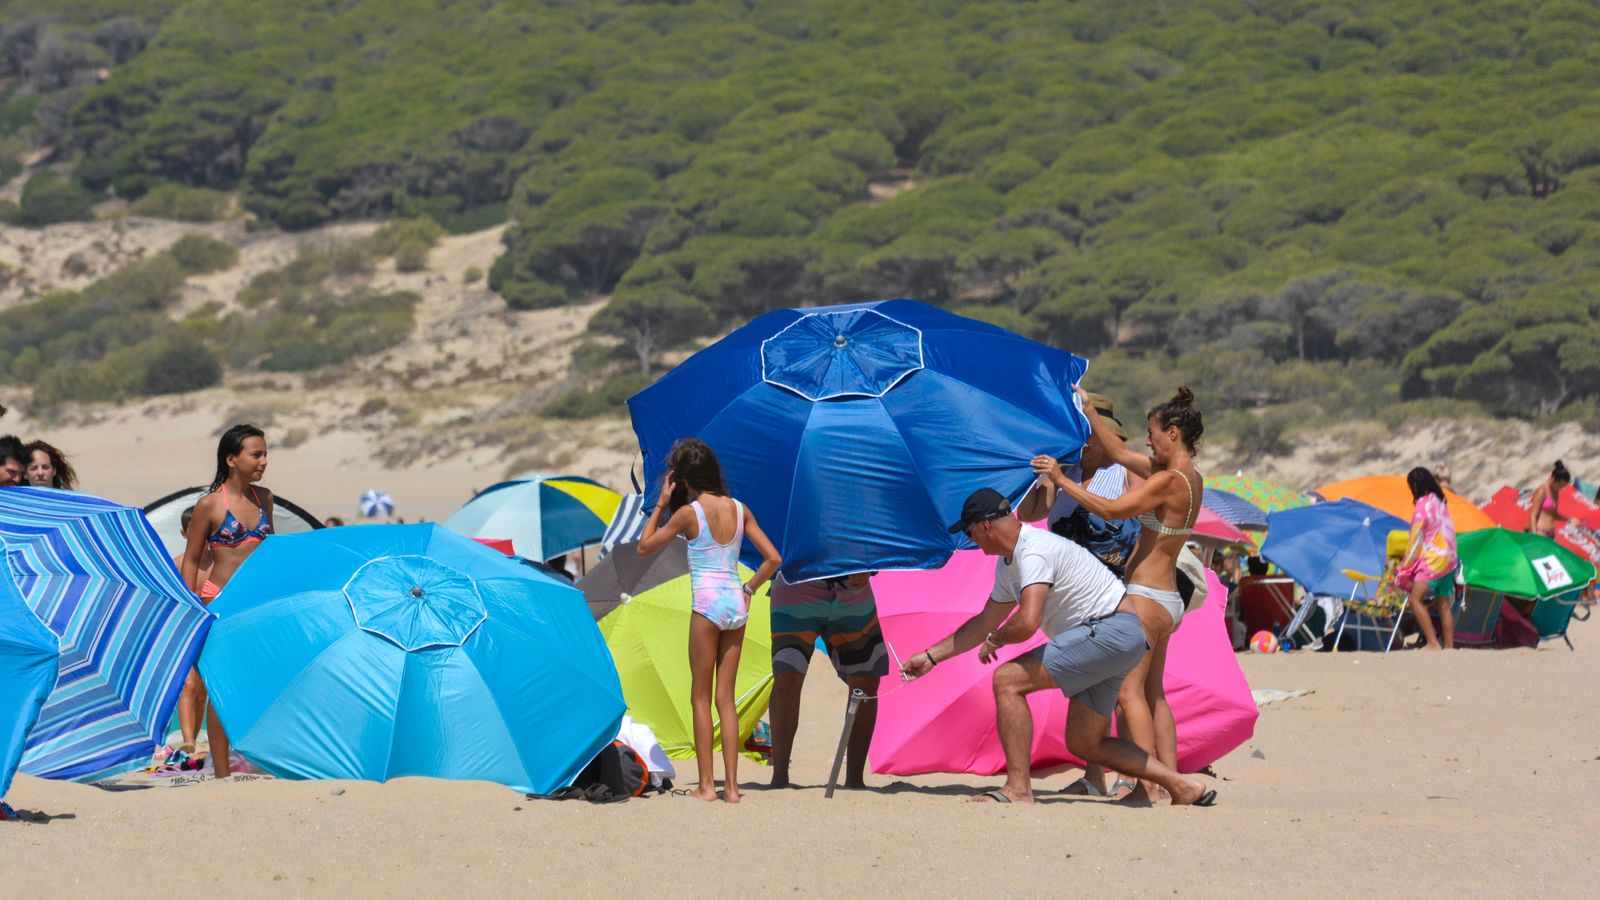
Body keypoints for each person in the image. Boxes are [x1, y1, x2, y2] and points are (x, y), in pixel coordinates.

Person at [901, 488, 1215, 806]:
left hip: (1110, 630)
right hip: (1122, 635)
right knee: (1084, 742)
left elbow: (1027, 621)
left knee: (1007, 680)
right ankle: (1181, 785)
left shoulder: (1032, 550)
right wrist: (930, 657)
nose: (973, 542)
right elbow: (984, 622)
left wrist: (996, 640)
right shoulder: (1009, 564)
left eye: (970, 534)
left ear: (985, 526)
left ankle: (1018, 789)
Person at [1032, 385, 1204, 804]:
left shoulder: (1166, 481)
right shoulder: (1189, 478)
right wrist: (1089, 409)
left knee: (1128, 694)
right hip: (1165, 599)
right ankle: (1170, 781)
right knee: (1153, 692)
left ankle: (1147, 787)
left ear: (1174, 433)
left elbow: (1111, 510)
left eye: (1153, 433)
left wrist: (1059, 481)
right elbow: (1121, 454)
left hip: (1145, 598)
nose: (1147, 441)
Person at [635, 438, 781, 803]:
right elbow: (773, 559)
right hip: (735, 601)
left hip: (707, 604)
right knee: (725, 699)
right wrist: (750, 588)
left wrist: (662, 504)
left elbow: (644, 546)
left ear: (682, 478)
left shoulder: (690, 513)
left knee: (700, 697)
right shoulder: (739, 508)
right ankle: (732, 789)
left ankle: (706, 786)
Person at [178, 425, 275, 778]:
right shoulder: (210, 505)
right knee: (221, 687)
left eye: (265, 454)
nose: (264, 461)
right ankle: (222, 773)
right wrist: (188, 607)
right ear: (231, 459)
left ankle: (254, 756)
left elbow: (272, 552)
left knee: (259, 681)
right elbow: (191, 559)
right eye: (256, 454)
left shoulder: (264, 498)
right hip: (219, 601)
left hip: (257, 603)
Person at [766, 570, 888, 790]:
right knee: (787, 677)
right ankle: (779, 778)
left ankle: (855, 780)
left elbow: (882, 535)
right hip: (796, 582)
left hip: (853, 584)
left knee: (866, 681)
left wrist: (871, 568)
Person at [165, 506, 214, 773]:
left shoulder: (218, 564)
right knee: (188, 685)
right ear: (185, 534)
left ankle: (192, 740)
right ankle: (187, 739)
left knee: (202, 690)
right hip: (186, 629)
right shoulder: (177, 563)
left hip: (211, 629)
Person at [1397, 466, 1458, 650]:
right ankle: (1448, 647)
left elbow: (1415, 541)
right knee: (1444, 603)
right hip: (1450, 557)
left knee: (1416, 600)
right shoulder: (1440, 501)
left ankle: (1432, 642)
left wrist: (1405, 565)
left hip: (1434, 560)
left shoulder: (1421, 508)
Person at [1528, 461, 1571, 538]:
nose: (1560, 488)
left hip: (1550, 533)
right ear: (1553, 478)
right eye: (1559, 485)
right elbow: (1533, 515)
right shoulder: (1542, 490)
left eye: (1563, 486)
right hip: (1539, 531)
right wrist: (1534, 535)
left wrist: (1569, 520)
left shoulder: (1556, 492)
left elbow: (1554, 515)